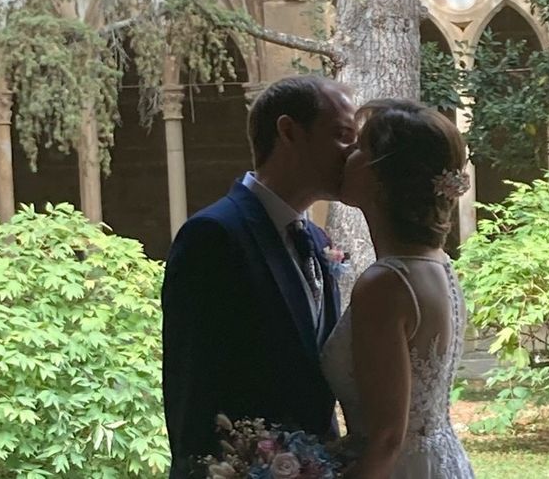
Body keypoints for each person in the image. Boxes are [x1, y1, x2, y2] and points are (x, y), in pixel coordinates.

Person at [161, 75, 357, 478]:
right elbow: (190, 390)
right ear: (288, 132)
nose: (352, 152)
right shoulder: (214, 236)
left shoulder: (318, 240)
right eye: (341, 135)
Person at [321, 99, 475, 478]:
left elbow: (388, 437)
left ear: (382, 176)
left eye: (359, 148)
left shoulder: (386, 284)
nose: (346, 155)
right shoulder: (437, 263)